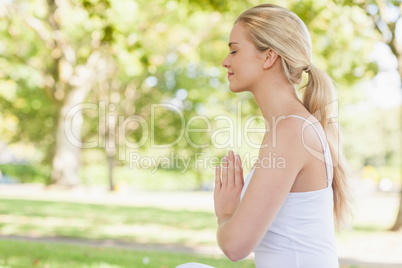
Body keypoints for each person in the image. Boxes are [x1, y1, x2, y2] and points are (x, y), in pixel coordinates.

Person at [177, 3, 349, 268]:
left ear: (269, 57)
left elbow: (236, 246)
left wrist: (225, 214)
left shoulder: (291, 131)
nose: (225, 61)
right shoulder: (291, 127)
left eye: (234, 50)